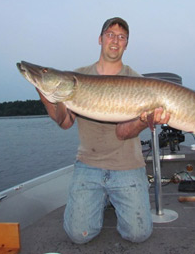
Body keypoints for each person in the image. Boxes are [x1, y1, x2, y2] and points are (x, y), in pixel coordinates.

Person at [37, 17, 170, 244]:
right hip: (89, 164)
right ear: (100, 39)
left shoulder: (136, 80)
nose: (115, 40)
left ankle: (109, 198)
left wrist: (146, 120)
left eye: (122, 37)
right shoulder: (77, 77)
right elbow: (64, 121)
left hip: (127, 165)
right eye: (110, 34)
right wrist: (44, 89)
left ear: (126, 44)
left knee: (138, 234)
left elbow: (123, 133)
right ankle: (104, 198)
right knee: (78, 236)